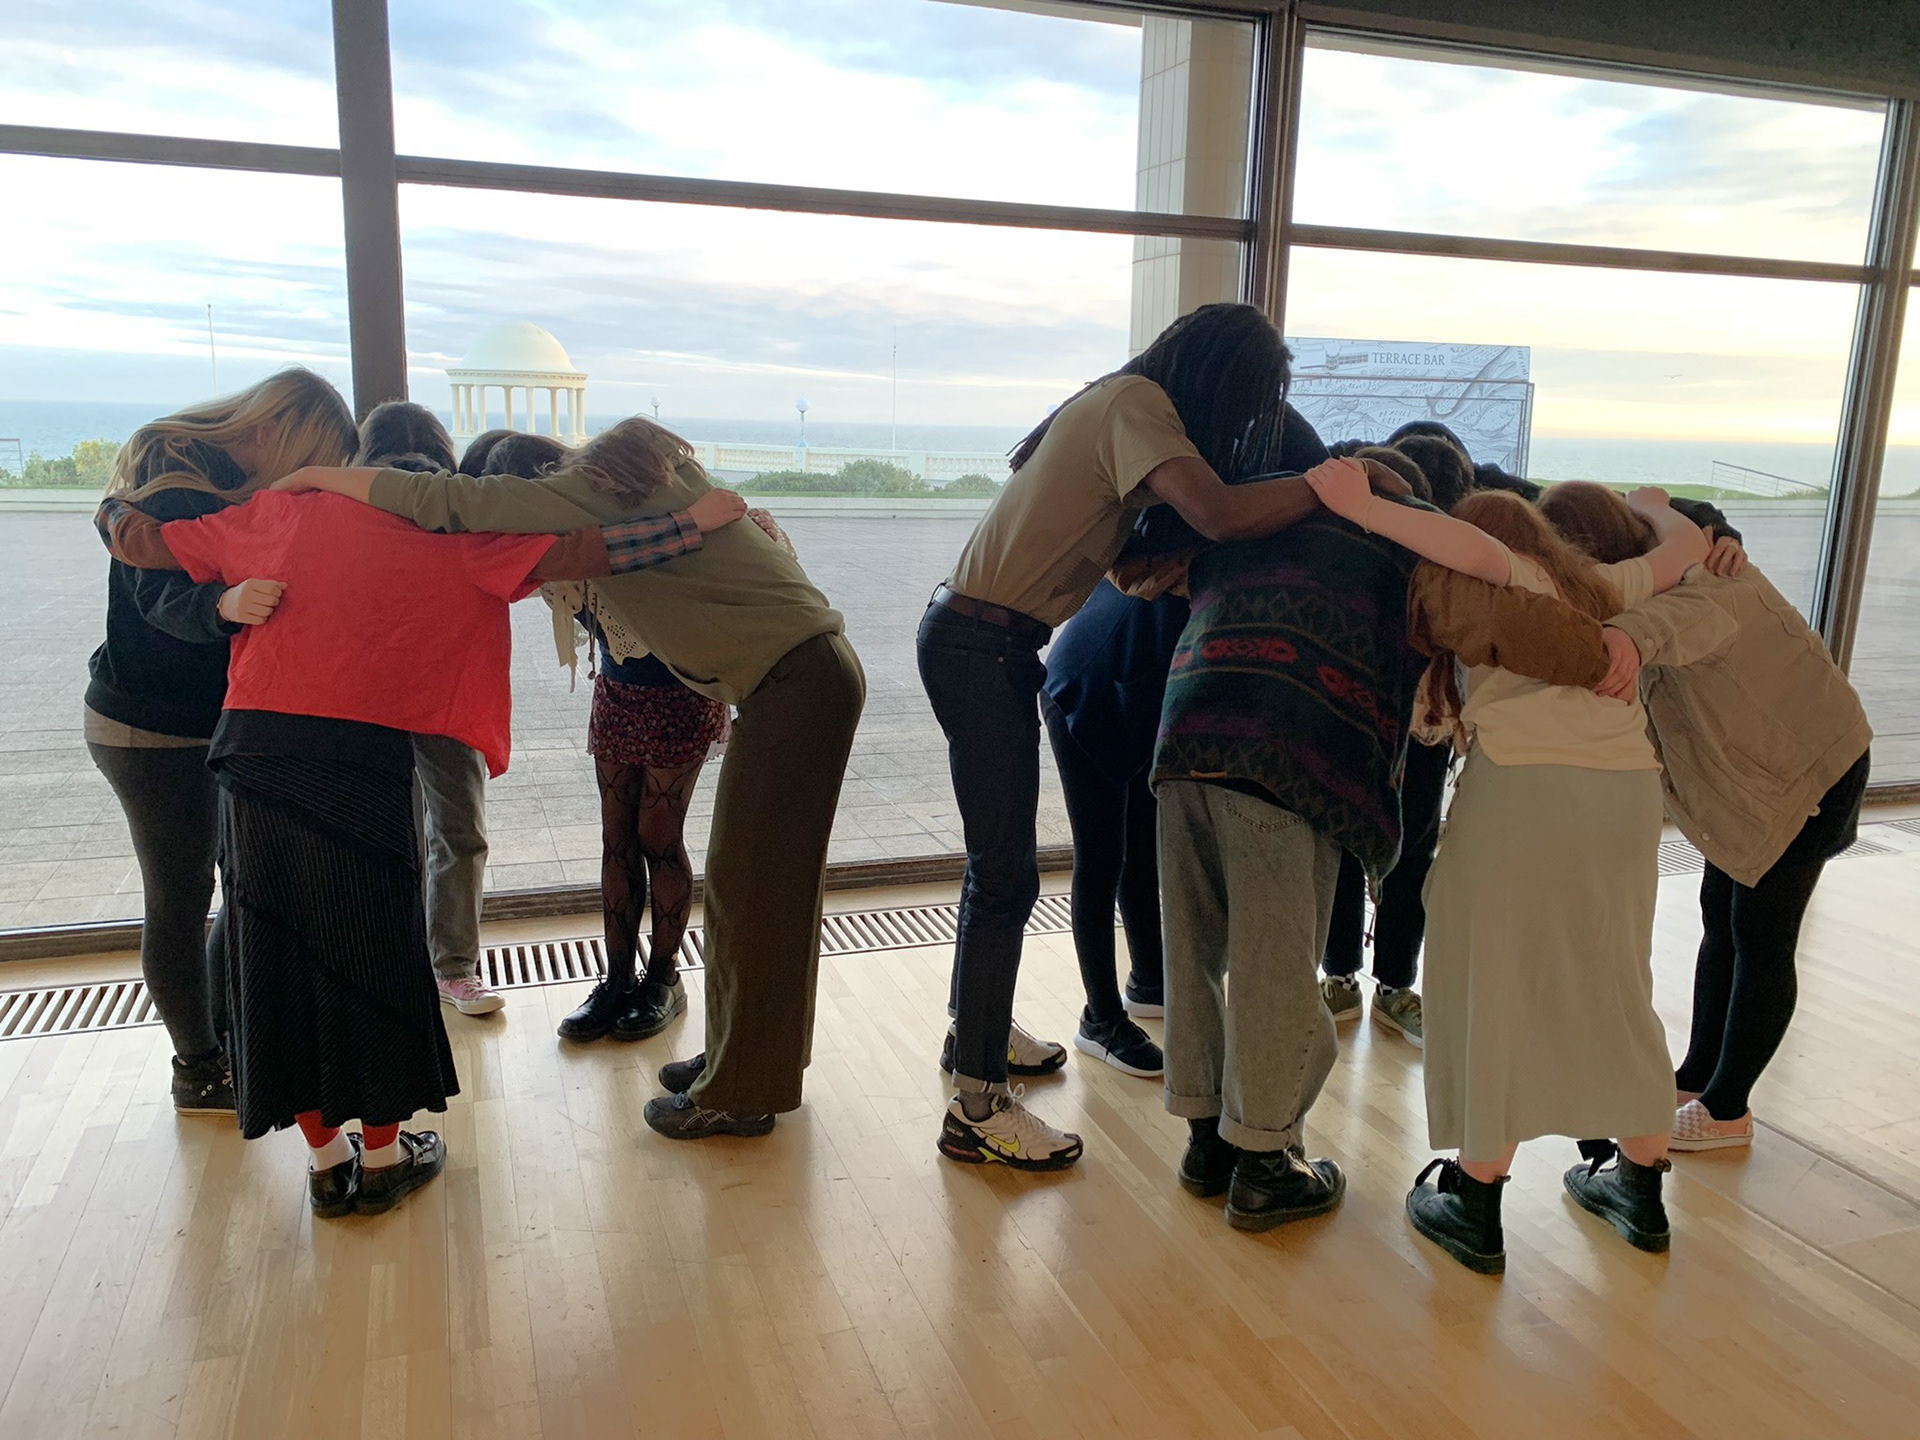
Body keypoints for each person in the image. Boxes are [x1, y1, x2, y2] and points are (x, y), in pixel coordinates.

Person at [96, 472, 746, 1215]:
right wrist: (692, 521)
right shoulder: (444, 532)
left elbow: (141, 543)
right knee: (375, 955)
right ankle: (382, 1159)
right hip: (358, 757)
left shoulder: (277, 512)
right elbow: (586, 550)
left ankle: (325, 1164)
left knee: (275, 958)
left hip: (252, 751)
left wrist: (112, 501)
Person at [920, 305, 1429, 1171]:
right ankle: (977, 1106)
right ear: (1221, 376)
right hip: (982, 646)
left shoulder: (1119, 407)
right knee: (1005, 879)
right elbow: (1222, 513)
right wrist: (1332, 487)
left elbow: (1145, 549)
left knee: (992, 870)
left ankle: (978, 1033)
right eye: (1253, 398)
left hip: (983, 640)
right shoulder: (1136, 408)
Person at [273, 418, 866, 1142]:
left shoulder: (572, 493)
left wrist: (318, 475)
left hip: (795, 685)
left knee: (752, 893)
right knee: (758, 891)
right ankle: (743, 1062)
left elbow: (445, 503)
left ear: (522, 483)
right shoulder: (632, 477)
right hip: (805, 676)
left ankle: (740, 1092)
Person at [1154, 456, 1613, 1231]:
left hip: (1184, 735)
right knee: (1275, 964)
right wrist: (1604, 652)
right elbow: (1504, 622)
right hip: (1288, 750)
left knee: (1192, 948)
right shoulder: (1407, 547)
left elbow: (1149, 563)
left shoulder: (1266, 516)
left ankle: (1207, 1145)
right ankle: (1264, 1166)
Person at [1310, 469, 1709, 1273]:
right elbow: (1686, 549)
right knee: (1616, 979)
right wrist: (1653, 510)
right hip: (1627, 796)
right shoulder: (1599, 588)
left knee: (1486, 981)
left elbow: (1468, 549)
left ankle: (1475, 1198)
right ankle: (1638, 1188)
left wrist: (1365, 508)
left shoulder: (1512, 579)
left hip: (1524, 791)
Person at [1537, 481, 1873, 1152]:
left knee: (1762, 935)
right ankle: (1696, 1077)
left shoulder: (1700, 586)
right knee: (1722, 916)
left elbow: (1659, 631)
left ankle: (1727, 1109)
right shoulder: (1671, 564)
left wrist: (1613, 640)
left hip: (1811, 772)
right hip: (1761, 777)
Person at [84, 369, 358, 1115]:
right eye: (307, 460)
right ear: (272, 432)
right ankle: (199, 1067)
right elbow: (155, 594)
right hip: (147, 728)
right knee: (180, 895)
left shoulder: (213, 485)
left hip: (207, 721)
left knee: (238, 883)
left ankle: (223, 1040)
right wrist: (223, 605)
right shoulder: (176, 483)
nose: (301, 482)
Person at [1040, 405, 1336, 1080]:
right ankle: (1100, 1019)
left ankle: (1149, 981)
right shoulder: (1215, 530)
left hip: (1142, 689)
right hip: (1087, 687)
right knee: (1102, 856)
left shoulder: (1238, 529)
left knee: (1143, 841)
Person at [352, 402, 506, 1019]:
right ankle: (455, 968)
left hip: (367, 692)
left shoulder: (351, 503)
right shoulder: (459, 506)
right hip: (448, 692)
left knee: (375, 833)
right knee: (459, 833)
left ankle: (380, 962)